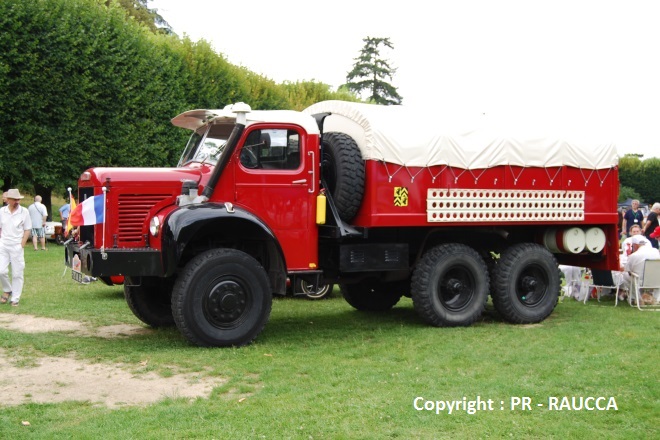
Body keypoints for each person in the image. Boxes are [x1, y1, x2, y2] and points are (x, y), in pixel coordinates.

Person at [0, 188, 32, 307]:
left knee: (17, 273)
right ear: (8, 200)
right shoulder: (2, 211)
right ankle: (8, 289)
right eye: (14, 199)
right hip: (3, 245)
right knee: (1, 271)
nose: (17, 201)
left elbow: (27, 228)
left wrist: (22, 244)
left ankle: (15, 298)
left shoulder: (24, 211)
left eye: (18, 199)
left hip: (16, 246)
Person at [620, 235, 660, 303]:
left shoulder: (634, 256)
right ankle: (656, 298)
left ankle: (636, 298)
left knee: (624, 275)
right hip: (656, 280)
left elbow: (627, 270)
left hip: (640, 282)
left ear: (635, 245)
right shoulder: (656, 251)